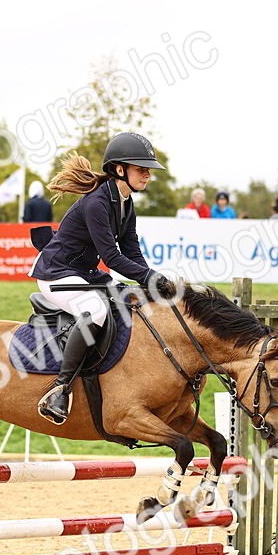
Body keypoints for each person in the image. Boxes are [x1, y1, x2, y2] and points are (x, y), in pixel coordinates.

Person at [28, 132, 171, 425]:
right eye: (141, 169)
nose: (147, 175)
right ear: (120, 169)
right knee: (95, 311)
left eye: (147, 170)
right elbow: (112, 257)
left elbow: (131, 250)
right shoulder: (97, 203)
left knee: (132, 301)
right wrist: (150, 276)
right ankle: (60, 389)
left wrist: (148, 282)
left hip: (86, 274)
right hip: (56, 274)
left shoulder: (126, 203)